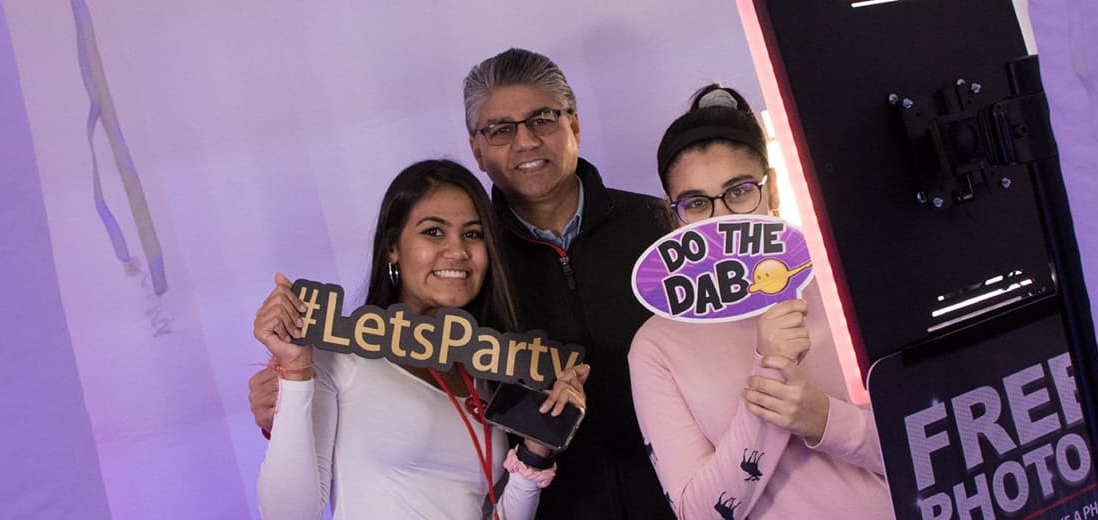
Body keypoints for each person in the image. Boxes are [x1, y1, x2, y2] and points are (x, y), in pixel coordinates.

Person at [249, 49, 677, 519]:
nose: (527, 142)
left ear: (573, 124)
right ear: (478, 148)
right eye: (501, 129)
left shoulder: (659, 227)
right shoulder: (466, 283)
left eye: (542, 119)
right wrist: (292, 390)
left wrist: (535, 454)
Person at [253, 160, 590, 519]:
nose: (457, 250)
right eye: (433, 232)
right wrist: (295, 370)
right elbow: (288, 513)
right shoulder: (340, 358)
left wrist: (535, 451)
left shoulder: (484, 374)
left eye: (473, 234)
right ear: (392, 248)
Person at [627, 85, 892, 519]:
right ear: (672, 215)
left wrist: (825, 420)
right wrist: (770, 368)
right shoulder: (656, 345)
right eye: (696, 203)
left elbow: (933, 444)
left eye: (739, 191)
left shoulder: (844, 286)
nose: (722, 218)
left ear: (772, 194)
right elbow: (701, 513)